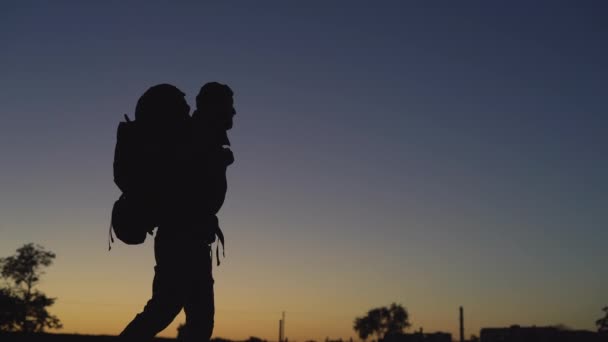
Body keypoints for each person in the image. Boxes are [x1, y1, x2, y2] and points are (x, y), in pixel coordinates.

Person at [117, 82, 234, 341]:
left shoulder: (200, 135)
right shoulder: (195, 136)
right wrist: (217, 162)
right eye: (228, 106)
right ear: (215, 107)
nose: (233, 113)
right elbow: (187, 191)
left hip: (191, 239)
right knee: (166, 311)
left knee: (195, 319)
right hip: (182, 240)